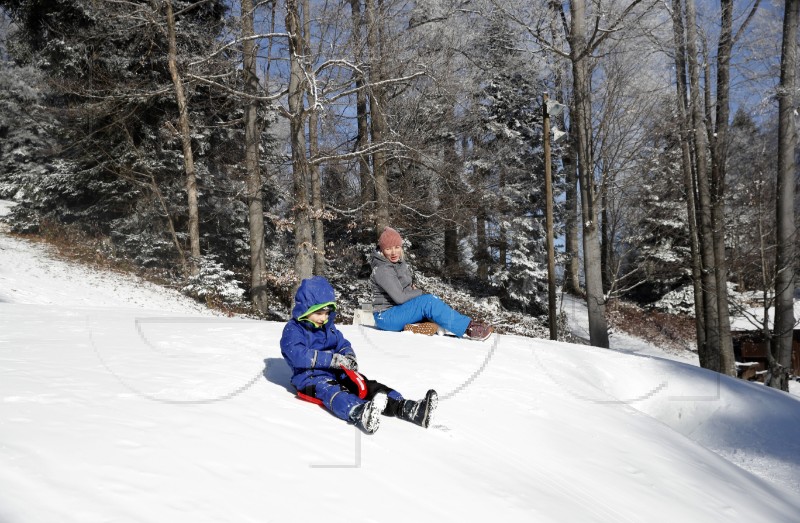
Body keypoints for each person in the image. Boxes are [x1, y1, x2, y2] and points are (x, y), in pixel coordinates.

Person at [280, 276, 438, 434]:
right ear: (306, 309)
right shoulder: (294, 329)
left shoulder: (329, 328)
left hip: (337, 371)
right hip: (310, 378)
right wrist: (332, 360)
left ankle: (408, 408)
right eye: (319, 312)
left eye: (327, 313)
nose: (324, 317)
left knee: (367, 384)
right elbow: (297, 355)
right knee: (331, 391)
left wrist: (348, 357)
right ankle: (359, 411)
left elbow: (342, 344)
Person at [370, 226, 494, 341]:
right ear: (382, 250)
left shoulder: (396, 264)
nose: (393, 252)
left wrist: (412, 291)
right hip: (386, 317)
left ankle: (417, 327)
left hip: (395, 313)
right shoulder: (383, 269)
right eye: (388, 249)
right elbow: (401, 298)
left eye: (397, 247)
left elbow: (402, 290)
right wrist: (418, 292)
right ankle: (469, 328)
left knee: (431, 306)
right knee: (428, 302)